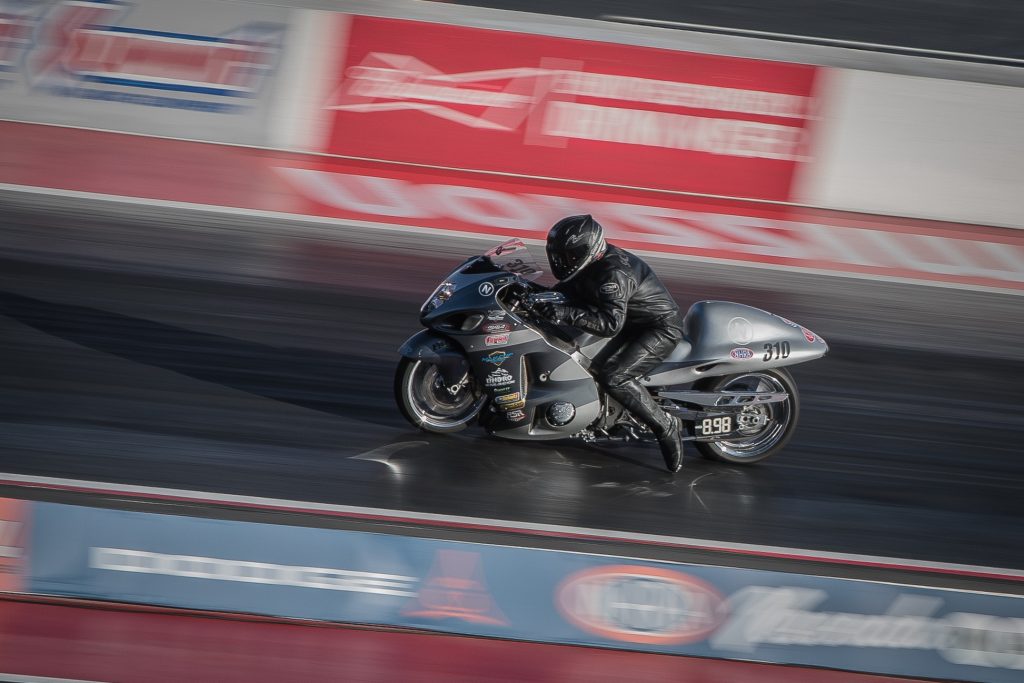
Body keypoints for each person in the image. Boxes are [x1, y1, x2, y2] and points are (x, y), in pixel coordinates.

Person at [534, 215, 686, 472]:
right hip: (629, 321)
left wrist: (564, 313)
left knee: (615, 376)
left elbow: (610, 324)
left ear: (586, 251)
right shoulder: (589, 265)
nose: (563, 261)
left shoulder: (613, 275)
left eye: (570, 256)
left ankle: (665, 426)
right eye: (559, 256)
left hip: (656, 328)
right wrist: (532, 294)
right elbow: (568, 290)